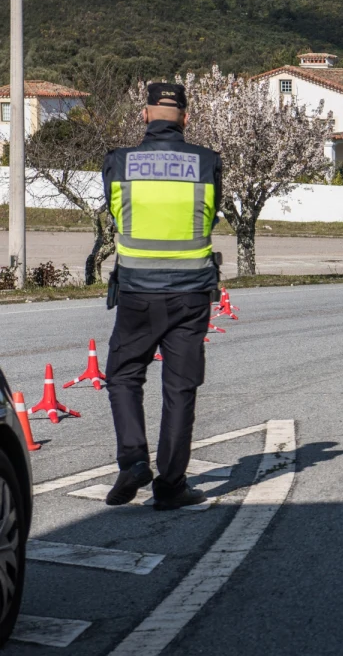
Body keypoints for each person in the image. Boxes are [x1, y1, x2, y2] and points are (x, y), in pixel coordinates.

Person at [102, 83, 223, 510]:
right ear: (185, 119)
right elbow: (210, 216)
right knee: (180, 387)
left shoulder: (119, 162)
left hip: (137, 292)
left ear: (144, 115)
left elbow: (116, 214)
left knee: (122, 375)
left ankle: (134, 460)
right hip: (191, 295)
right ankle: (171, 486)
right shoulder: (207, 162)